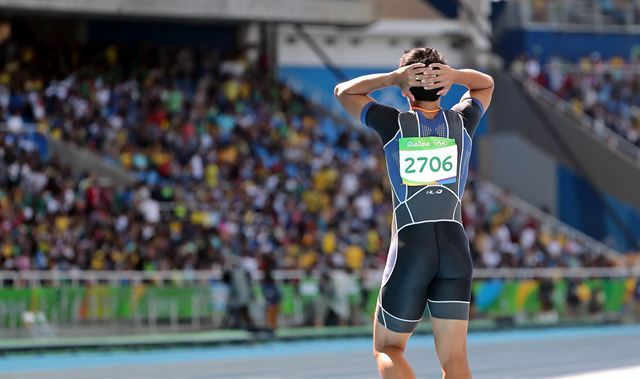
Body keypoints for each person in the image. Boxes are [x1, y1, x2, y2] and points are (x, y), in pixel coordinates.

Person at [334, 47, 494, 379]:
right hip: (454, 244)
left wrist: (393, 78)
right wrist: (455, 75)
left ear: (405, 91)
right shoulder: (463, 121)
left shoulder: (394, 123)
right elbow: (486, 84)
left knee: (387, 348)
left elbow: (344, 91)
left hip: (412, 243)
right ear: (445, 87)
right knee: (455, 359)